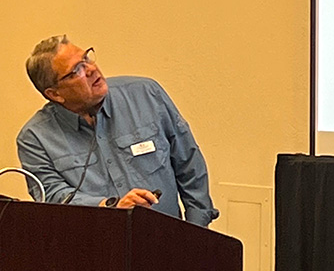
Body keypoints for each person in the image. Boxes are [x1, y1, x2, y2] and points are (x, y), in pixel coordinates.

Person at [16, 34, 219, 226]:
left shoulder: (146, 95)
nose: (91, 69)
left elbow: (188, 163)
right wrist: (110, 206)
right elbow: (52, 196)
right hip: (95, 250)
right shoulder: (35, 138)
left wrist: (196, 230)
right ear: (55, 94)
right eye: (76, 70)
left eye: (87, 58)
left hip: (165, 240)